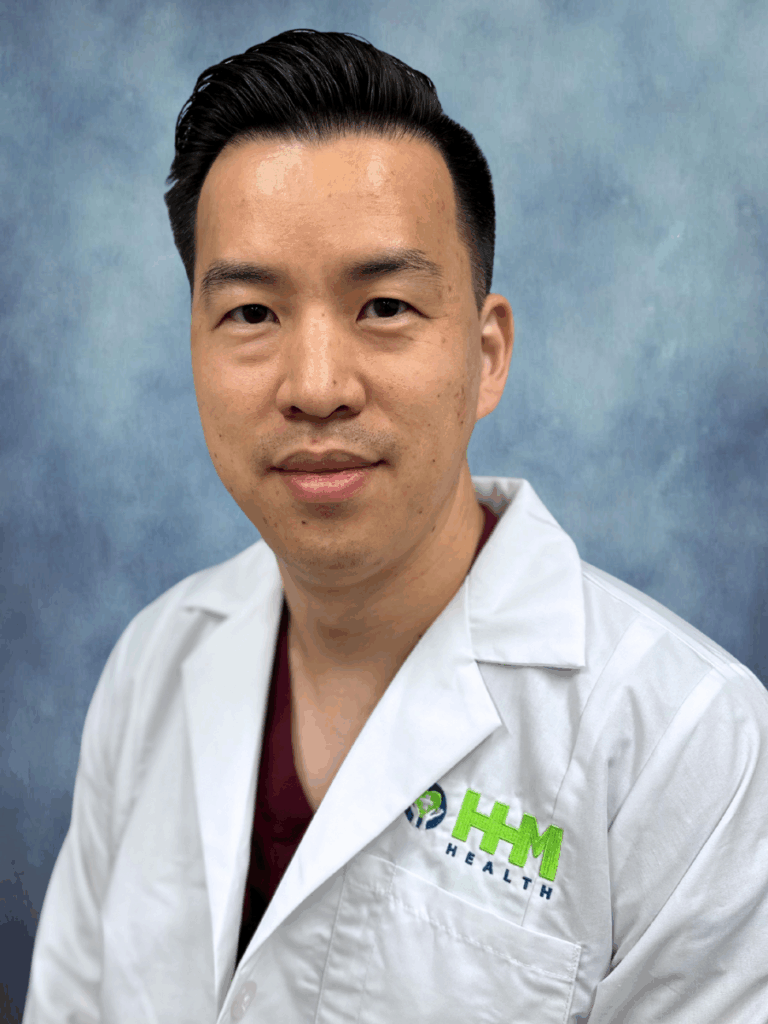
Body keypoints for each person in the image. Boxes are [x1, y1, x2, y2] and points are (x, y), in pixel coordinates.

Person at [23, 28, 768, 1024]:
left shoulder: (692, 751)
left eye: (382, 305)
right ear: (194, 345)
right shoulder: (154, 660)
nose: (316, 385)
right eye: (251, 313)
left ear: (487, 355)